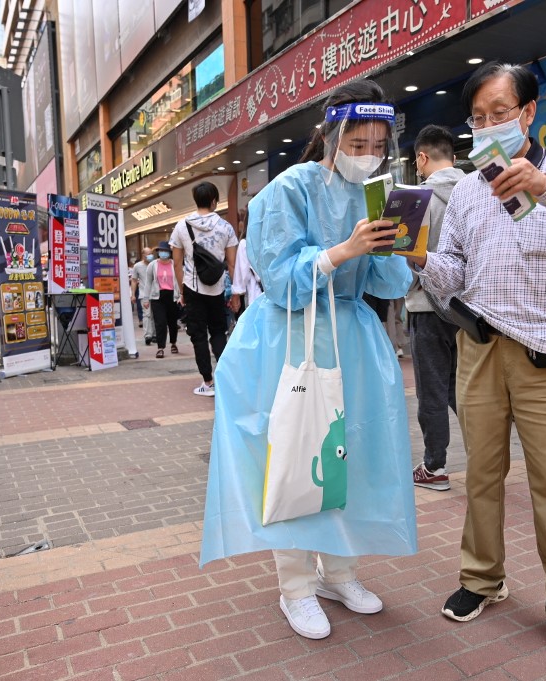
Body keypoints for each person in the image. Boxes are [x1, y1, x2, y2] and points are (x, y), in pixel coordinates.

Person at [406, 62, 546, 662]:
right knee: (480, 472)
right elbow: (452, 273)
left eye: (499, 114)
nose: (487, 127)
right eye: (477, 119)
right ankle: (482, 578)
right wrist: (416, 254)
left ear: (528, 113)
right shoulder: (470, 189)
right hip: (478, 347)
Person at [200, 80, 417, 640]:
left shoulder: (376, 191)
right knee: (293, 455)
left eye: (377, 144)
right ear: (331, 134)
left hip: (352, 335)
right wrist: (344, 249)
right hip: (290, 337)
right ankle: (295, 586)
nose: (368, 153)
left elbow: (390, 281)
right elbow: (280, 279)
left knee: (349, 454)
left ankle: (339, 570)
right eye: (358, 141)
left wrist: (394, 245)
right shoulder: (288, 188)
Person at [407, 124, 466, 492]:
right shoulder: (480, 192)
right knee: (464, 388)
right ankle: (490, 456)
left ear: (422, 158)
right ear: (454, 158)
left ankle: (435, 466)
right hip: (469, 310)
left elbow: (404, 259)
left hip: (427, 307)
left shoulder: (413, 198)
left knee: (431, 388)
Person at [169, 182, 238, 396]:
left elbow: (176, 263)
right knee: (218, 332)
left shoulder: (182, 226)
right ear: (214, 201)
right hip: (217, 288)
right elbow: (233, 264)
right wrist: (235, 292)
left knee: (198, 336)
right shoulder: (226, 227)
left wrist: (181, 292)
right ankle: (226, 380)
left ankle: (207, 383)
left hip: (192, 287)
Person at [146, 240, 179, 358]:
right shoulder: (152, 265)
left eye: (166, 251)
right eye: (161, 251)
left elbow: (180, 281)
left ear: (169, 253)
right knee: (160, 323)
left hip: (172, 296)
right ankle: (160, 347)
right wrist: (146, 298)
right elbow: (148, 283)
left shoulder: (174, 264)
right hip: (157, 296)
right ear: (158, 252)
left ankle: (173, 343)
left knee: (172, 322)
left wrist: (181, 296)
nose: (163, 253)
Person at [229, 208, 263, 319]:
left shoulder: (245, 243)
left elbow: (241, 274)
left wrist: (236, 295)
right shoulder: (271, 240)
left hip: (256, 297)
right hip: (276, 296)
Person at [131, 247, 153, 343]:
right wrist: (133, 295)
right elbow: (134, 280)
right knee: (147, 315)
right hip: (144, 295)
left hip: (156, 294)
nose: (150, 255)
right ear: (143, 255)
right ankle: (148, 335)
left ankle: (155, 334)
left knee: (155, 315)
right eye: (148, 254)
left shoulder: (155, 264)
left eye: (151, 253)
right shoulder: (137, 266)